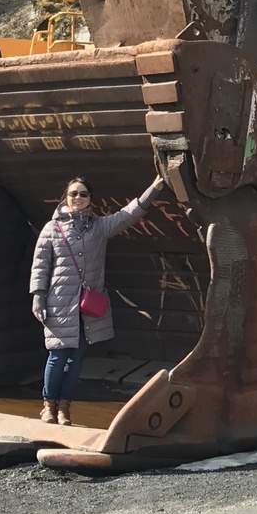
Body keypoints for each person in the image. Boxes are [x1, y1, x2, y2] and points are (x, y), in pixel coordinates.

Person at [30, 172, 165, 425]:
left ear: (90, 198)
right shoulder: (52, 229)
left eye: (83, 194)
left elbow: (128, 215)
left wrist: (155, 187)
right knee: (58, 356)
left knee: (77, 358)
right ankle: (48, 406)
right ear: (65, 198)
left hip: (87, 306)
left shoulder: (98, 227)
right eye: (73, 194)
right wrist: (38, 296)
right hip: (59, 303)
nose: (78, 198)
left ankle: (64, 409)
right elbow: (40, 266)